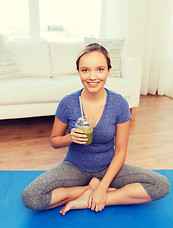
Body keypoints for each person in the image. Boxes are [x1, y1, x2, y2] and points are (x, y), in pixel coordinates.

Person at [22, 43, 170, 216]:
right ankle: (87, 190)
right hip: (75, 167)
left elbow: (121, 151)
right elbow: (54, 141)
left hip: (109, 167)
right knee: (31, 197)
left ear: (108, 70)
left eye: (100, 69)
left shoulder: (119, 103)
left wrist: (103, 188)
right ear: (78, 72)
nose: (92, 76)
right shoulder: (68, 103)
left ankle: (97, 197)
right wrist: (69, 138)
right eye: (85, 70)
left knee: (161, 185)